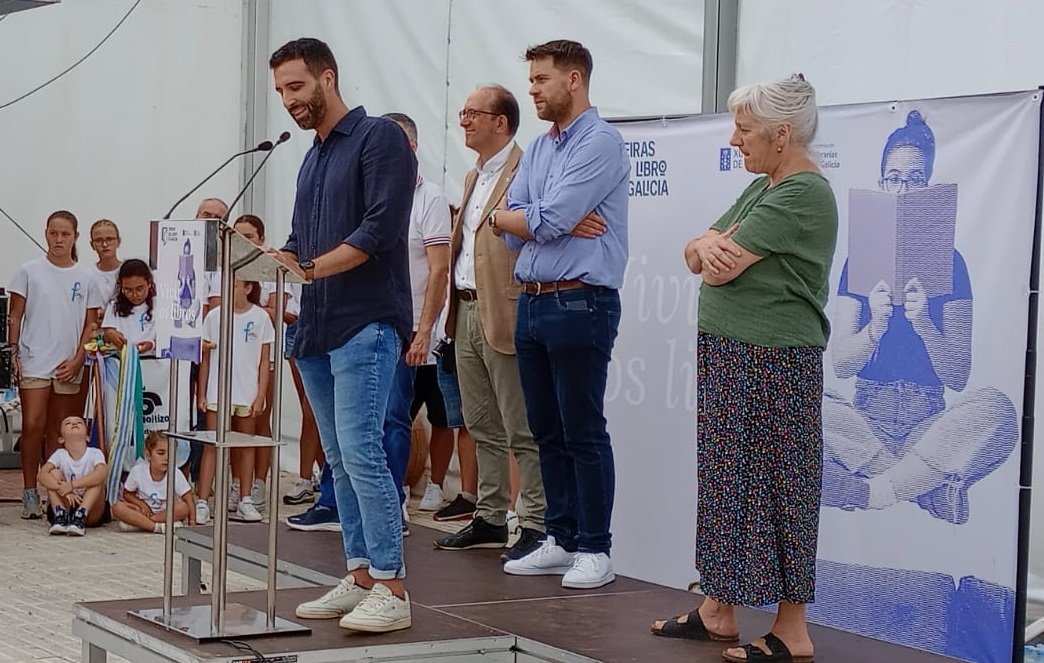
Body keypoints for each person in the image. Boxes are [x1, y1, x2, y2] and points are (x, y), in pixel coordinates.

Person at [650, 75, 837, 663]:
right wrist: (702, 245)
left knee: (783, 485)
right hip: (739, 353)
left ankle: (792, 630)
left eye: (745, 129)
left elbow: (717, 267)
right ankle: (719, 607)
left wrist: (706, 249)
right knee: (729, 482)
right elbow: (694, 249)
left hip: (774, 357)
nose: (735, 140)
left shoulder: (801, 193)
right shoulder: (766, 187)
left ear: (782, 135)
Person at [269, 37, 415, 633]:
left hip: (366, 322)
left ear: (328, 78)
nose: (287, 100)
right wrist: (272, 257)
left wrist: (308, 267)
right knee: (338, 459)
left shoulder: (378, 138)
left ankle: (393, 586)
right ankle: (358, 575)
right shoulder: (312, 155)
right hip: (316, 327)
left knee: (362, 451)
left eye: (296, 87)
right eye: (280, 91)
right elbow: (302, 237)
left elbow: (381, 228)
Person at [821, 110, 1017, 524]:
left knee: (997, 410)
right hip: (866, 420)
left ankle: (876, 490)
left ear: (928, 187)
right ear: (881, 185)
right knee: (802, 400)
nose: (903, 187)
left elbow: (958, 376)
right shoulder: (859, 260)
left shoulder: (952, 263)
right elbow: (840, 364)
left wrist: (925, 323)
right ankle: (926, 488)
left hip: (926, 423)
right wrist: (874, 328)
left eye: (914, 179)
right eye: (894, 178)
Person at [492, 41, 628, 589]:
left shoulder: (601, 142)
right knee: (544, 427)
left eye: (542, 79)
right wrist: (536, 217)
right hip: (533, 298)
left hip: (580, 299)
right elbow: (504, 221)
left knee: (582, 428)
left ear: (574, 79)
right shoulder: (540, 147)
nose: (533, 89)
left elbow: (546, 218)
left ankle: (596, 547)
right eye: (531, 79)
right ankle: (561, 536)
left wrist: (539, 218)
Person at [432, 84, 547, 562]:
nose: (464, 121)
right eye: (462, 112)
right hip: (465, 308)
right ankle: (491, 514)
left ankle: (537, 520)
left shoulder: (528, 168)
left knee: (520, 423)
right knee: (480, 420)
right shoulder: (473, 175)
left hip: (505, 307)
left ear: (501, 122)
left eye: (472, 113)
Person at [379, 111, 451, 537]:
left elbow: (439, 271)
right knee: (361, 422)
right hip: (367, 324)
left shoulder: (430, 198)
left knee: (394, 417)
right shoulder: (372, 193)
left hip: (407, 328)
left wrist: (424, 331)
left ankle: (394, 503)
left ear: (413, 146)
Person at [8, 211, 103, 519]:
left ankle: (56, 494)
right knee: (33, 425)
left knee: (58, 431)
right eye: (53, 233)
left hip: (69, 364)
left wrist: (78, 360)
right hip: (35, 359)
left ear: (75, 237)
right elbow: (15, 316)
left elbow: (91, 325)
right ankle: (29, 491)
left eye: (65, 234)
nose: (59, 239)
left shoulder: (87, 277)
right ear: (46, 234)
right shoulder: (28, 271)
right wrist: (13, 352)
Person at [196, 279, 274, 524]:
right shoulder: (214, 317)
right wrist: (202, 392)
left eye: (235, 284)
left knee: (246, 445)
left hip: (247, 392)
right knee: (212, 444)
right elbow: (205, 358)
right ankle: (202, 502)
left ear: (248, 288)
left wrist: (261, 394)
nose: (228, 289)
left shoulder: (261, 317)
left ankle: (245, 499)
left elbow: (264, 362)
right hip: (218, 392)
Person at [38, 416, 108, 535]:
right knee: (53, 473)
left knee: (97, 477)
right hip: (67, 502)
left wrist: (72, 485)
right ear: (61, 439)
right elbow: (42, 475)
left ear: (87, 437)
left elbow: (102, 473)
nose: (74, 424)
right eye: (68, 423)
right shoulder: (60, 454)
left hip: (91, 509)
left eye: (79, 422)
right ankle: (60, 514)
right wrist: (62, 488)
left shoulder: (95, 453)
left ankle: (81, 515)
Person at [112, 431, 193, 533]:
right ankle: (157, 527)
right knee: (117, 507)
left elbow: (189, 499)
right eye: (161, 453)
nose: (167, 458)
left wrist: (192, 524)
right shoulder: (137, 471)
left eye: (171, 453)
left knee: (183, 507)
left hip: (166, 512)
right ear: (148, 455)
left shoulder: (176, 473)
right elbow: (127, 494)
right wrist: (142, 505)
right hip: (145, 511)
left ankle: (145, 523)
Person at [101, 259, 157, 356]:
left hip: (154, 364)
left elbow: (168, 338)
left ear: (149, 283)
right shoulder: (114, 306)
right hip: (123, 364)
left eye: (140, 289)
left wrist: (152, 344)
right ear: (121, 287)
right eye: (128, 290)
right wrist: (110, 335)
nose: (134, 295)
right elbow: (107, 334)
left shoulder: (159, 305)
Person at [87, 219, 123, 305]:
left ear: (118, 242)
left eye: (109, 239)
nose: (105, 244)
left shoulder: (130, 272)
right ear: (92, 245)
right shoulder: (87, 275)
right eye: (99, 240)